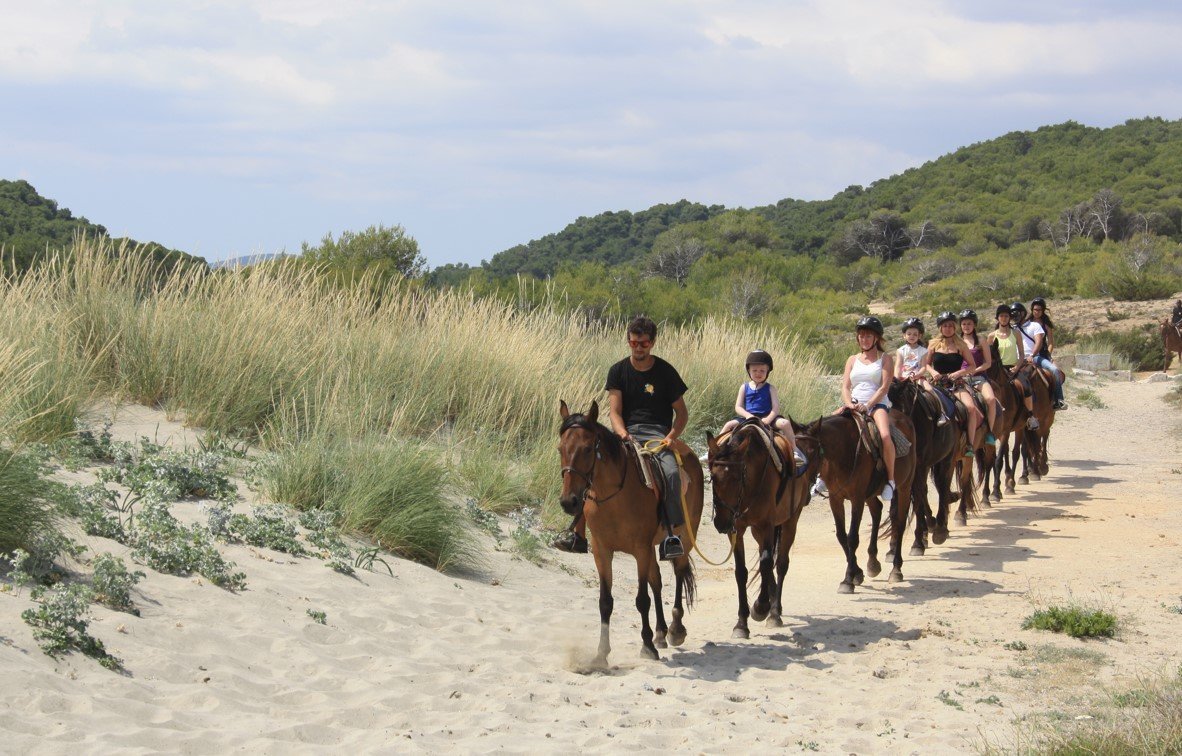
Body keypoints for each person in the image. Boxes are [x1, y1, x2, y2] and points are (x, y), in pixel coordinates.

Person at [554, 316, 690, 560]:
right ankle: (577, 534)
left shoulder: (666, 372)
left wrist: (671, 437)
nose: (639, 348)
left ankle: (671, 533)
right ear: (629, 341)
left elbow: (682, 413)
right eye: (634, 343)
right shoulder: (618, 371)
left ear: (653, 343)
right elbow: (614, 411)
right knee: (589, 468)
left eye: (644, 344)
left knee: (670, 472)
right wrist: (622, 433)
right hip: (626, 432)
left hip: (658, 433)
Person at [812, 316, 897, 501]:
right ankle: (823, 477)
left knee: (884, 436)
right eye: (861, 336)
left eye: (868, 336)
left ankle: (890, 480)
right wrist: (849, 403)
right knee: (825, 430)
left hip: (877, 404)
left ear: (876, 338)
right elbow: (845, 386)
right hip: (854, 404)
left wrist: (868, 405)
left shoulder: (885, 359)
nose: (864, 339)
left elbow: (883, 388)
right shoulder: (852, 359)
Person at [713, 349, 807, 470]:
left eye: (762, 370)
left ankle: (794, 451)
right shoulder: (744, 387)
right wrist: (748, 416)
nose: (758, 373)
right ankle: (715, 450)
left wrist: (768, 419)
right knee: (729, 424)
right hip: (748, 417)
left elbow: (776, 408)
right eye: (755, 370)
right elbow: (738, 407)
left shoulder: (770, 388)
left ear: (768, 371)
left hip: (767, 416)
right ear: (749, 371)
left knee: (785, 423)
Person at [923, 311, 984, 457]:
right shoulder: (933, 344)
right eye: (945, 326)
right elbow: (925, 364)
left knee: (970, 408)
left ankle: (969, 443)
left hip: (956, 384)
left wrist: (958, 373)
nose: (948, 328)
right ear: (940, 328)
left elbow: (972, 366)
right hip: (937, 384)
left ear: (955, 327)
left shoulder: (961, 344)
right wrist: (932, 372)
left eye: (951, 325)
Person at [987, 303, 1039, 430]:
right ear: (997, 318)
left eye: (1006, 316)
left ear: (1009, 318)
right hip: (997, 369)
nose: (1004, 318)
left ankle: (1031, 416)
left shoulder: (1015, 333)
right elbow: (988, 355)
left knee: (1026, 386)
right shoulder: (991, 336)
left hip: (1012, 367)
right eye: (1001, 316)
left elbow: (1021, 353)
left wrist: (1017, 367)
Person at [1013, 301, 1068, 410]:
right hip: (1017, 359)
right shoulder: (1013, 328)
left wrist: (1035, 355)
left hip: (1036, 356)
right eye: (1035, 310)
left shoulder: (1037, 325)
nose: (1037, 312)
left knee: (1055, 370)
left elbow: (1041, 342)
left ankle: (1058, 399)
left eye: (1039, 310)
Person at [894, 317, 948, 425]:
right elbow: (898, 366)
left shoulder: (923, 351)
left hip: (918, 377)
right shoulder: (901, 350)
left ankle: (941, 413)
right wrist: (897, 377)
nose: (912, 336)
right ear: (904, 335)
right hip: (903, 378)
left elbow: (923, 367)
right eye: (909, 334)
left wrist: (917, 375)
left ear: (920, 336)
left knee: (930, 390)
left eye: (915, 334)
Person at [958, 309, 1000, 449]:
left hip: (979, 377)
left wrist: (974, 370)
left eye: (969, 323)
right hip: (961, 378)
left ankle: (989, 432)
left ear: (974, 325)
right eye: (964, 324)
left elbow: (987, 362)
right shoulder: (957, 341)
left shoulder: (981, 340)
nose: (966, 326)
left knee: (991, 400)